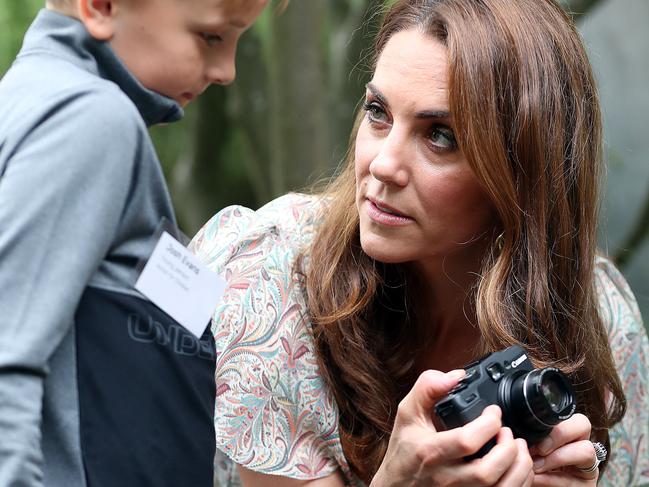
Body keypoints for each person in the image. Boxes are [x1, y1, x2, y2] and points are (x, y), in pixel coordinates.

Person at [191, 0, 649, 485]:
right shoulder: (271, 274)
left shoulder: (600, 314)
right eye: (377, 112)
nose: (383, 164)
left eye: (440, 136)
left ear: (522, 174)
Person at [0, 0, 267, 485]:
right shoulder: (93, 120)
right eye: (211, 37)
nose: (227, 71)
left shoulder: (32, 98)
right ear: (100, 6)